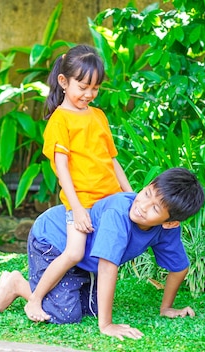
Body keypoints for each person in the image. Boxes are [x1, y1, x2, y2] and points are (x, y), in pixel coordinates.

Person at [0, 167, 205, 340]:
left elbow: (179, 267)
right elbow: (107, 267)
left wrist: (166, 308)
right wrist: (106, 325)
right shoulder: (119, 212)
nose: (143, 206)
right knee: (65, 315)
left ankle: (47, 287)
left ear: (170, 222)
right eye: (146, 193)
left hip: (82, 261)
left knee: (93, 308)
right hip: (52, 241)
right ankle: (17, 284)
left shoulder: (168, 230)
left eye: (155, 208)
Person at [30, 44, 133, 321]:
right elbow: (61, 169)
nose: (89, 94)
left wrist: (130, 195)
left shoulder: (98, 116)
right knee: (75, 252)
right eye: (83, 86)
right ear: (63, 82)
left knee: (106, 252)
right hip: (82, 201)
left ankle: (88, 296)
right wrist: (76, 208)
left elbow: (112, 160)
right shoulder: (60, 120)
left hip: (109, 200)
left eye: (95, 88)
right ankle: (35, 299)